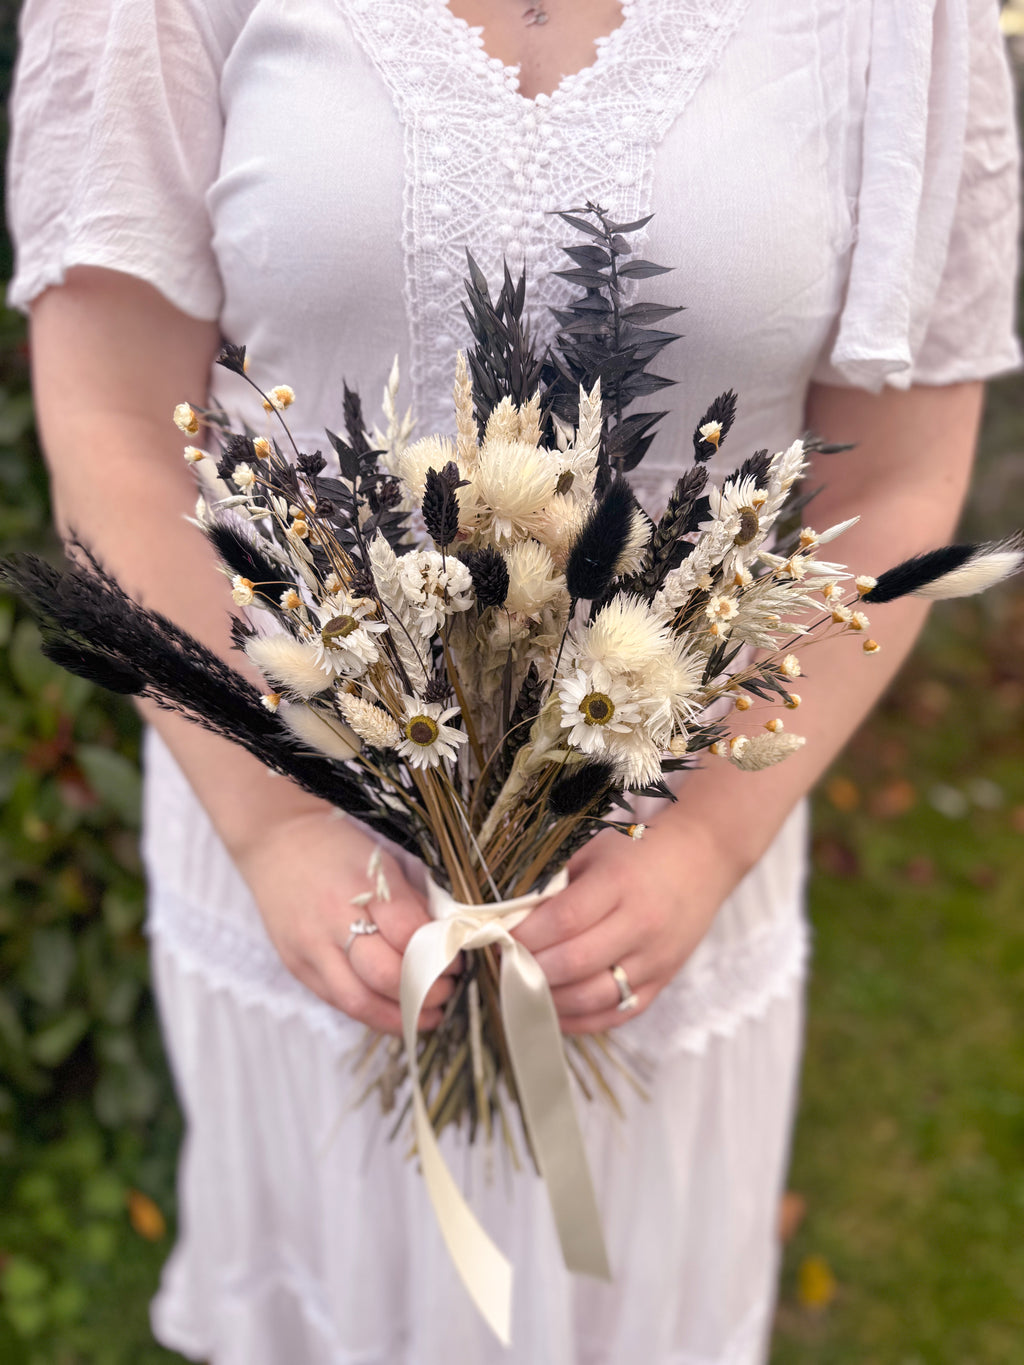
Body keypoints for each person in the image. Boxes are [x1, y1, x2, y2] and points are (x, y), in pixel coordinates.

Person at [6, 1, 1020, 1361]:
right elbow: (115, 415)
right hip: (308, 893)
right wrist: (277, 825)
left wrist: (708, 842)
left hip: (650, 907)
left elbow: (897, 479)